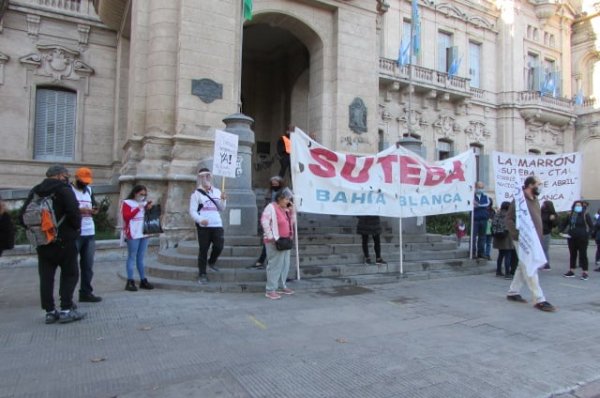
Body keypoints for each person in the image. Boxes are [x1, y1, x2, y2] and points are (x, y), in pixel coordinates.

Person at [19, 165, 86, 324]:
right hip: (64, 240)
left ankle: (49, 311)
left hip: (43, 241)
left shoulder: (36, 191)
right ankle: (66, 309)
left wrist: (40, 232)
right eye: (66, 175)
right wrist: (75, 229)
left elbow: (23, 216)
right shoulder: (63, 189)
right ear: (60, 175)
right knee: (70, 274)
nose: (67, 177)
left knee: (46, 277)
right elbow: (73, 213)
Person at [505, 175, 556, 312]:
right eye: (538, 184)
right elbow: (508, 219)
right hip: (522, 240)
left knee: (522, 266)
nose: (540, 187)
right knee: (529, 266)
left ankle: (513, 292)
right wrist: (517, 235)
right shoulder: (519, 200)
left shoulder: (536, 200)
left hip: (534, 240)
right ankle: (539, 299)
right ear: (530, 185)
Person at [189, 168, 227, 284]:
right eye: (203, 176)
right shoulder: (196, 194)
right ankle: (202, 273)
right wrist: (200, 220)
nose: (205, 178)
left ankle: (211, 262)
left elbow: (221, 208)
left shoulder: (217, 191)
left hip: (217, 224)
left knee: (219, 246)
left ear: (211, 177)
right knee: (203, 250)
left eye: (207, 176)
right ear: (200, 178)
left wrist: (223, 200)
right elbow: (192, 211)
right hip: (204, 227)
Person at [71, 167, 102, 302]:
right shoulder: (69, 190)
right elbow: (66, 209)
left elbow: (94, 205)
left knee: (88, 266)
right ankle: (68, 297)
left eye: (87, 181)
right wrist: (79, 210)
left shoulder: (89, 190)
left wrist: (95, 209)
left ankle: (86, 292)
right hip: (75, 233)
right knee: (71, 267)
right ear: (76, 178)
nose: (86, 183)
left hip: (89, 231)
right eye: (83, 181)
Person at [261, 188, 296, 299]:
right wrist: (271, 237)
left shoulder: (285, 209)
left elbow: (292, 223)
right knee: (275, 265)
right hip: (275, 241)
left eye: (289, 199)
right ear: (280, 198)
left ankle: (282, 285)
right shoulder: (271, 207)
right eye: (286, 199)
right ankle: (270, 289)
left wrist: (292, 211)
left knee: (285, 265)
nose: (288, 201)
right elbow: (264, 221)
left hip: (285, 241)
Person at [121, 185, 155, 291]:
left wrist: (149, 207)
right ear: (135, 193)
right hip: (133, 232)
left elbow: (149, 216)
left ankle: (143, 279)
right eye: (141, 194)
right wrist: (138, 208)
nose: (143, 197)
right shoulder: (127, 203)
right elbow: (126, 217)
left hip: (143, 232)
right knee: (132, 256)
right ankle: (130, 281)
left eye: (144, 195)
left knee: (140, 257)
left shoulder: (144, 203)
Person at [250, 176, 285, 269]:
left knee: (273, 242)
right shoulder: (269, 192)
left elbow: (289, 205)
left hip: (280, 220)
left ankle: (264, 261)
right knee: (269, 241)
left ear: (280, 183)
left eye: (276, 183)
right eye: (273, 183)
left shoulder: (284, 193)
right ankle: (263, 261)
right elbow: (266, 205)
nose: (274, 185)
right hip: (270, 219)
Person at [560, 200, 594, 280]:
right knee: (573, 254)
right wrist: (560, 231)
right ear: (574, 206)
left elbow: (591, 226)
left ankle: (585, 272)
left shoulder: (585, 214)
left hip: (582, 238)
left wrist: (587, 235)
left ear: (582, 206)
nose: (578, 207)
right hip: (571, 238)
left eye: (579, 205)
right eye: (576, 205)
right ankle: (571, 271)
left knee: (583, 255)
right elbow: (564, 224)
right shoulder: (570, 215)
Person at [492, 201, 513, 279]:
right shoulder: (509, 215)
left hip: (498, 237)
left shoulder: (497, 214)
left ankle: (498, 271)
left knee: (501, 255)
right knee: (508, 255)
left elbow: (493, 225)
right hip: (507, 238)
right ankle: (507, 273)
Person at [472, 181, 491, 259]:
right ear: (475, 187)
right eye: (479, 187)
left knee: (482, 237)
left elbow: (486, 204)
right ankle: (472, 252)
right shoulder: (471, 196)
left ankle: (481, 253)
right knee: (473, 237)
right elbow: (471, 205)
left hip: (483, 219)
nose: (480, 189)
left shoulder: (486, 197)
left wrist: (477, 205)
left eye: (482, 187)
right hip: (475, 219)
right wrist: (476, 205)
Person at [540, 200, 558, 270]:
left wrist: (553, 219)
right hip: (539, 232)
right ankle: (540, 263)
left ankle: (546, 264)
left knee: (544, 249)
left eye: (544, 205)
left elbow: (555, 225)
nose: (543, 206)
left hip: (546, 233)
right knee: (539, 249)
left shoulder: (552, 214)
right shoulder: (540, 212)